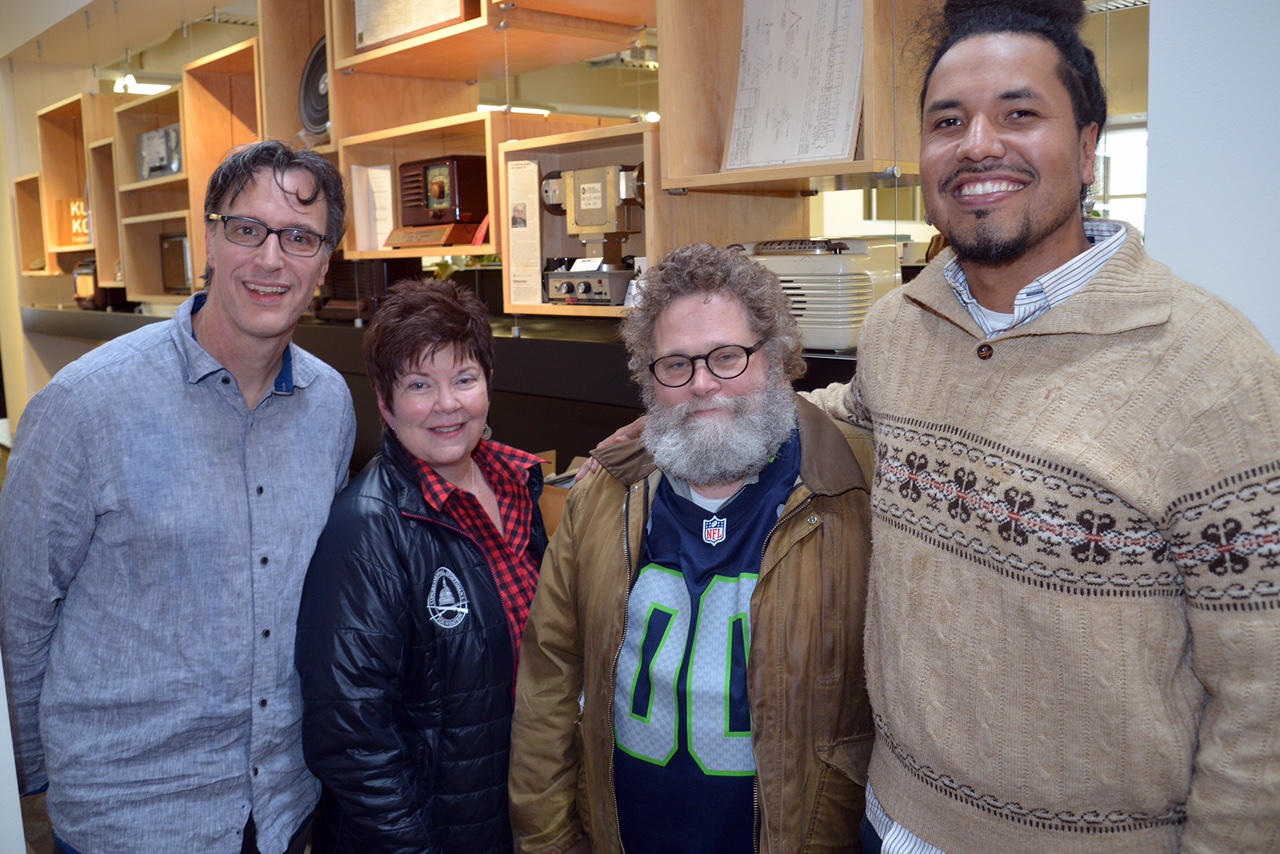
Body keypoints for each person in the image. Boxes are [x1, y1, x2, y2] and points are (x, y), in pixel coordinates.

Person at [801, 1, 1280, 851]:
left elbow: (1265, 699)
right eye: (948, 122)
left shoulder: (1216, 370)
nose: (978, 143)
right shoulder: (897, 328)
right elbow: (855, 419)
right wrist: (705, 405)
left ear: (1090, 146)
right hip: (887, 817)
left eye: (1019, 114)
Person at [0, 139, 355, 853]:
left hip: (284, 806)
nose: (270, 259)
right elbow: (20, 607)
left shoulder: (332, 406)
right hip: (131, 817)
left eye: (300, 237)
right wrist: (30, 781)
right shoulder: (83, 406)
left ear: (324, 261)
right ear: (211, 237)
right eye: (246, 229)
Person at [509, 242, 875, 854]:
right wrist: (547, 840)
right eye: (676, 365)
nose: (703, 384)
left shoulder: (853, 496)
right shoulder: (602, 496)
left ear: (778, 360)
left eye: (728, 357)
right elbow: (549, 683)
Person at [296, 277, 549, 853]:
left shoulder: (518, 487)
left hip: (513, 820)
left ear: (487, 385)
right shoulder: (366, 530)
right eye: (419, 385)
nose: (447, 405)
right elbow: (350, 738)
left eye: (464, 378)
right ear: (385, 405)